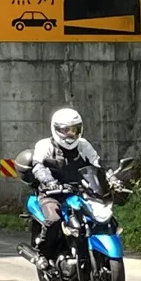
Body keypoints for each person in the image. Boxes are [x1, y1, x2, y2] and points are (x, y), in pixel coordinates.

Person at [30, 107, 103, 269]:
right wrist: (49, 181)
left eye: (74, 130)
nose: (70, 134)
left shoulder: (83, 145)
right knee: (54, 220)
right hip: (52, 193)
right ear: (56, 129)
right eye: (65, 130)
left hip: (79, 192)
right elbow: (38, 167)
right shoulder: (45, 145)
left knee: (99, 218)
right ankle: (42, 254)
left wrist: (111, 180)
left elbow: (98, 165)